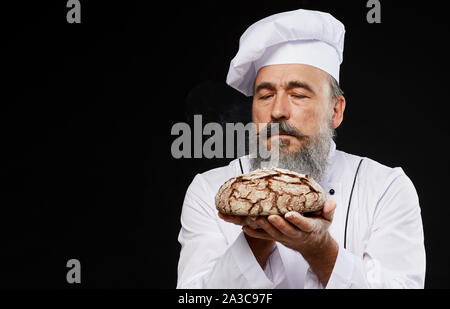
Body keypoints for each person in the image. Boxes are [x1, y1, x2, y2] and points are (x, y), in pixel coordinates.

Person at [176, 8, 425, 289]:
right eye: (266, 95)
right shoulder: (210, 190)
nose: (278, 111)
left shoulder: (385, 188)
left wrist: (320, 249)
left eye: (298, 94)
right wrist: (257, 235)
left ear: (335, 111)